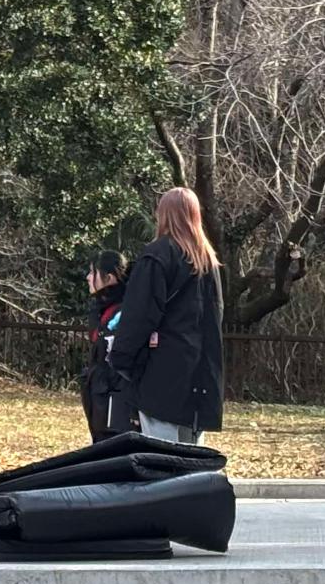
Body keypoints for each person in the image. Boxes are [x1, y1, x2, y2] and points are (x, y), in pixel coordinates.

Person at [112, 188, 223, 449]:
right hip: (199, 373)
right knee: (192, 456)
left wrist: (122, 359)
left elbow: (139, 314)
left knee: (160, 453)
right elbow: (215, 318)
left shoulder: (158, 255)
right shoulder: (209, 263)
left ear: (163, 215)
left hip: (161, 371)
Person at [80, 250, 134, 442]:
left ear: (109, 277)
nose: (88, 278)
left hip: (115, 406)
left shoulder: (124, 312)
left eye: (93, 272)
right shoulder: (100, 310)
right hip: (99, 399)